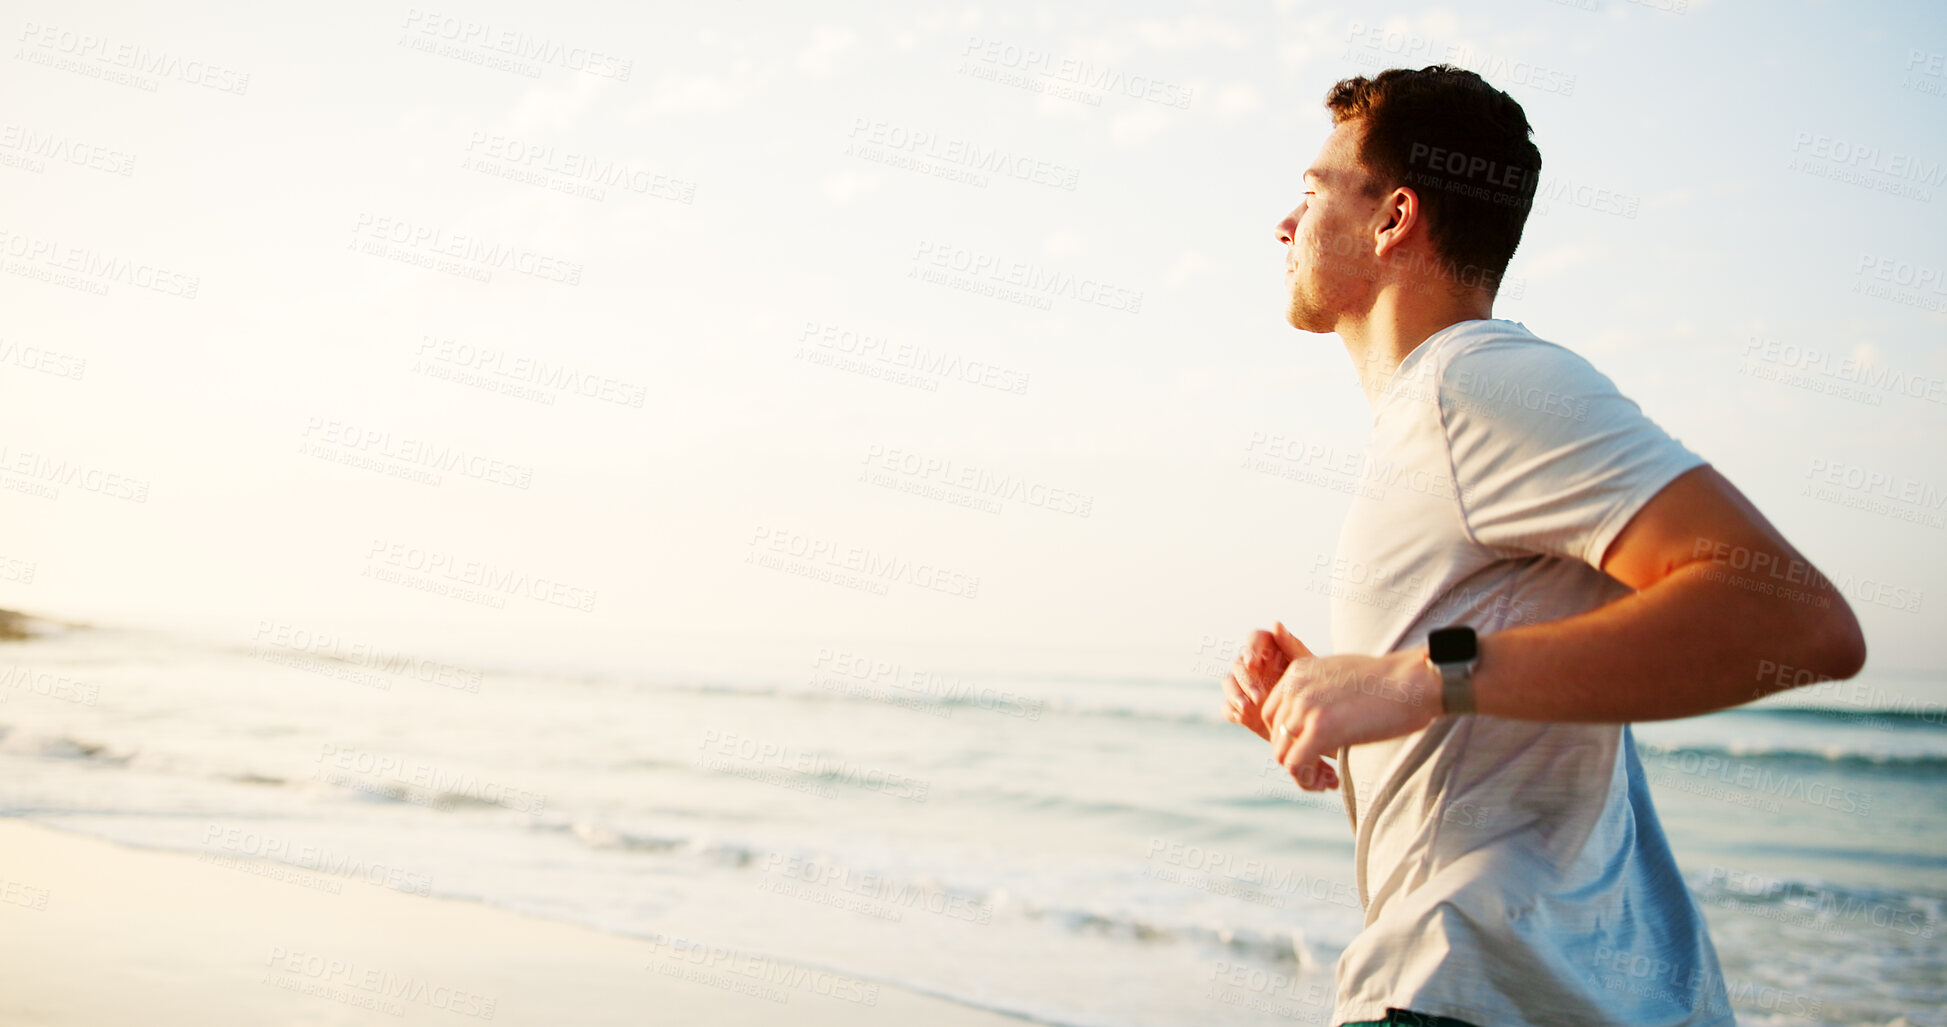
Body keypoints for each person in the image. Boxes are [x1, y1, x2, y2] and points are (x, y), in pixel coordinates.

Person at [1220, 65, 1867, 1027]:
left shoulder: (1477, 384)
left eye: (1312, 193)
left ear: (1393, 218)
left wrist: (1410, 681)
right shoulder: (1439, 414)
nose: (1282, 224)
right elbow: (1511, 742)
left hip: (1467, 992)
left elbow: (1794, 618)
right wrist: (1352, 708)